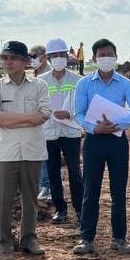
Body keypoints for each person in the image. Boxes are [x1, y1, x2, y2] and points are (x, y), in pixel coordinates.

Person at [73, 38, 130, 255]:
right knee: (90, 190)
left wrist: (116, 125)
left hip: (117, 141)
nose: (106, 58)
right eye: (101, 55)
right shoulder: (84, 83)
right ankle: (86, 239)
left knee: (118, 191)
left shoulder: (126, 84)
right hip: (93, 141)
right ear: (94, 58)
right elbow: (79, 113)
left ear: (116, 57)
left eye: (109, 54)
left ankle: (119, 238)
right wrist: (95, 128)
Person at [0, 40, 51, 260]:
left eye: (13, 58)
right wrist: (28, 118)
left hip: (32, 150)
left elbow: (44, 114)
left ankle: (29, 239)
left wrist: (10, 120)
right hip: (6, 152)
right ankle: (3, 243)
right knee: (3, 201)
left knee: (30, 199)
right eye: (5, 58)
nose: (8, 62)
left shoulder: (39, 85)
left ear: (24, 61)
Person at [42, 37, 84, 224]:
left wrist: (70, 113)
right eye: (54, 55)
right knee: (53, 172)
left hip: (70, 131)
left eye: (61, 54)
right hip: (49, 132)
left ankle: (80, 208)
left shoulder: (77, 80)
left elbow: (83, 105)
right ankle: (60, 208)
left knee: (75, 172)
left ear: (67, 56)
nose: (58, 58)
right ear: (48, 58)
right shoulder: (41, 81)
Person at [29, 45, 53, 207]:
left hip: (49, 120)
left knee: (47, 155)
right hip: (36, 121)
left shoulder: (49, 75)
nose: (31, 59)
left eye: (34, 56)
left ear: (43, 57)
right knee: (40, 154)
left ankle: (47, 188)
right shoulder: (36, 74)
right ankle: (43, 186)